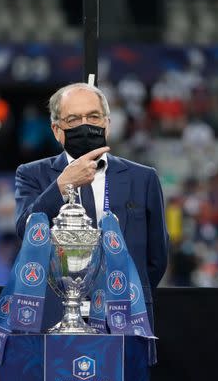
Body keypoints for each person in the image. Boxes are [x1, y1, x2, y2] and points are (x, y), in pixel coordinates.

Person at [14, 82, 169, 329]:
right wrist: (62, 185)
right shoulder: (32, 174)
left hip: (126, 313)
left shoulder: (144, 178)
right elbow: (26, 231)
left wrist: (122, 293)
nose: (85, 125)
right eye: (73, 119)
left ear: (107, 123)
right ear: (57, 130)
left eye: (93, 116)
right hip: (56, 317)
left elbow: (157, 257)